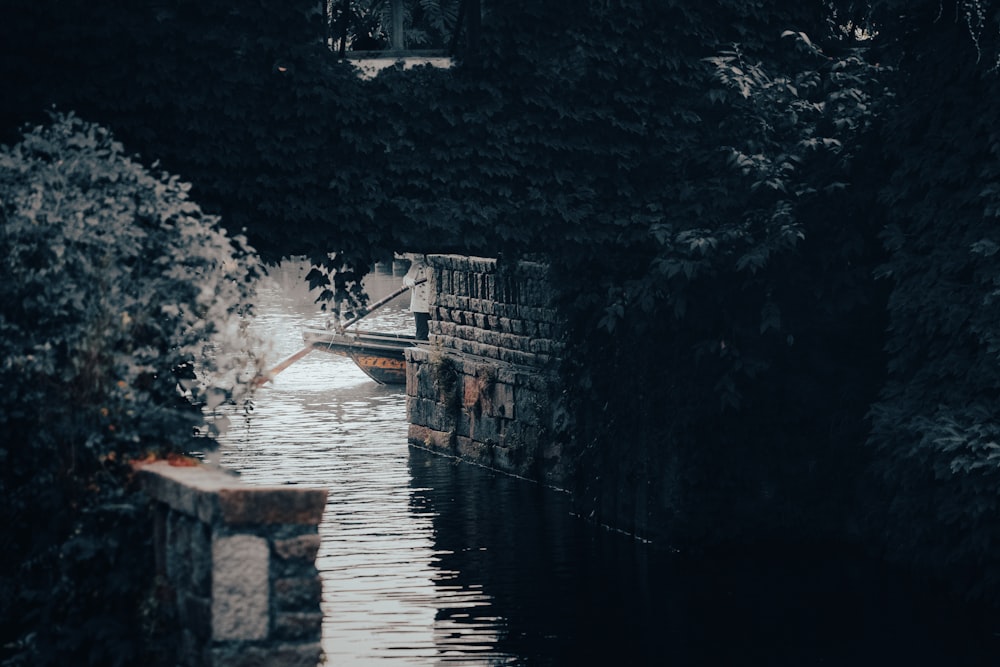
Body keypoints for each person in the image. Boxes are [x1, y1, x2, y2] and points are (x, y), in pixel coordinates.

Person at [402, 253, 430, 340]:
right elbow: (406, 278)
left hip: (433, 304)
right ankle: (420, 346)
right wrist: (410, 281)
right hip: (420, 306)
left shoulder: (436, 267)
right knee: (422, 331)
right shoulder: (417, 266)